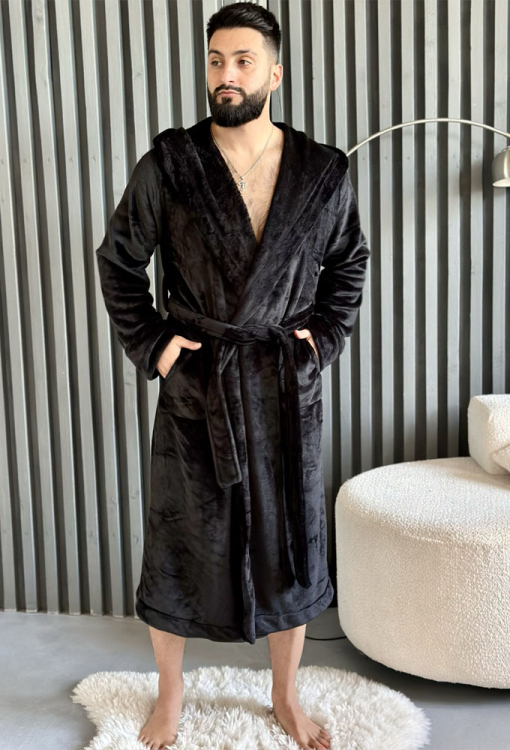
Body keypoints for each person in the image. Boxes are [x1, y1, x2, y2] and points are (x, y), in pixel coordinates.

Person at [95, 3, 370, 749]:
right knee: (178, 541)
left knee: (292, 544)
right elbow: (119, 261)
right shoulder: (170, 164)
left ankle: (285, 696)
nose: (227, 74)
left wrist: (324, 338)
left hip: (283, 386)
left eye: (244, 60)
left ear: (275, 73)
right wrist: (156, 344)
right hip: (199, 386)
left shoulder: (320, 171)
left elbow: (349, 262)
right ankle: (170, 696)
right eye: (217, 60)